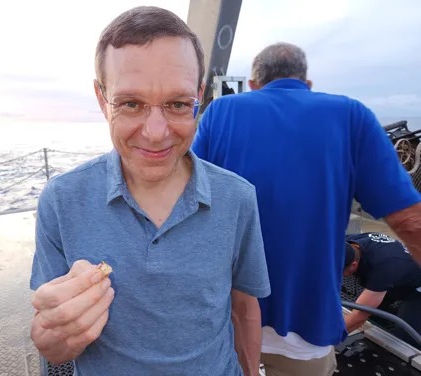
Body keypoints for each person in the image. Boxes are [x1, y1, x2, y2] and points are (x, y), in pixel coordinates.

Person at [29, 6, 271, 376]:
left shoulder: (237, 198)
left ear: (199, 96)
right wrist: (55, 337)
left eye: (177, 104)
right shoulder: (61, 201)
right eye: (130, 104)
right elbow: (52, 343)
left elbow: (244, 308)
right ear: (101, 99)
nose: (156, 132)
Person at [191, 41, 421, 375]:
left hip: (229, 322)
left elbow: (187, 201)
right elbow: (410, 222)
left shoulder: (221, 112)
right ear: (307, 84)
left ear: (253, 85)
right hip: (306, 332)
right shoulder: (351, 115)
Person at [344, 232, 421, 348]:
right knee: (375, 314)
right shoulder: (348, 242)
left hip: (417, 286)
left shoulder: (383, 268)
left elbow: (358, 316)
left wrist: (323, 344)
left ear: (354, 265)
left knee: (405, 340)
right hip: (397, 274)